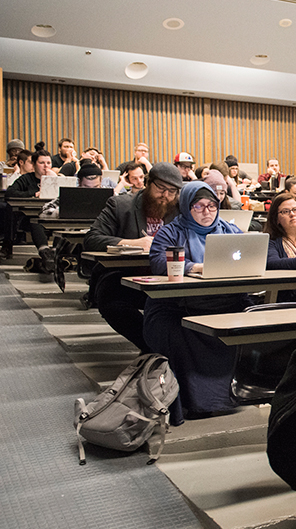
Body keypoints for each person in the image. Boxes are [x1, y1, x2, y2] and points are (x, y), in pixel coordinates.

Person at [144, 181, 245, 421]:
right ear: (187, 207)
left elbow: (252, 257)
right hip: (178, 306)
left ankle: (240, 392)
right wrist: (193, 267)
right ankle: (196, 401)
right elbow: (158, 262)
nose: (207, 211)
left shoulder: (230, 231)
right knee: (178, 333)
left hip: (224, 303)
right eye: (199, 206)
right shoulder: (172, 230)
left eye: (211, 205)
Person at [84, 163, 183, 351]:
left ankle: (168, 351)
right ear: (147, 183)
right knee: (109, 298)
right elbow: (92, 238)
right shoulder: (121, 205)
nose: (166, 195)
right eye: (160, 188)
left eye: (172, 191)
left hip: (169, 277)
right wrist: (133, 243)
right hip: (127, 276)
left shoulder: (179, 209)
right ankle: (153, 348)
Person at [5, 148, 59, 270]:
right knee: (36, 220)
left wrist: (54, 180)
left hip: (54, 215)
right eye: (42, 163)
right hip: (30, 217)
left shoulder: (57, 179)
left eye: (49, 163)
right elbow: (10, 193)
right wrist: (34, 194)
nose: (46, 166)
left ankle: (56, 253)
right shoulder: (26, 179)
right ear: (34, 165)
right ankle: (46, 254)